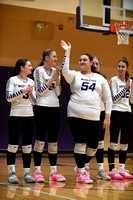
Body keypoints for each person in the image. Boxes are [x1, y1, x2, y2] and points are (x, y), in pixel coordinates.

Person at [60, 40, 112, 184]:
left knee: (93, 147)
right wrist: (67, 52)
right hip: (75, 115)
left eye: (85, 60)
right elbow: (64, 71)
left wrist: (107, 116)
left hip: (94, 116)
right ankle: (82, 173)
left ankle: (80, 165)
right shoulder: (74, 75)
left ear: (91, 63)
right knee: (80, 143)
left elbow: (108, 99)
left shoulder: (100, 78)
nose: (82, 62)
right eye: (80, 60)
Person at [33, 49, 66, 182]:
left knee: (53, 142)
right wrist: (52, 77)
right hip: (42, 108)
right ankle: (37, 171)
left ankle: (53, 171)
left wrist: (57, 78)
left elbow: (58, 93)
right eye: (54, 56)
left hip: (55, 108)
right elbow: (40, 92)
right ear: (46, 58)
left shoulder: (55, 72)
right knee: (40, 141)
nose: (55, 59)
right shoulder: (38, 71)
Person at [6, 59, 36, 183]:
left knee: (27, 147)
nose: (31, 67)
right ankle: (12, 173)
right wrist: (22, 91)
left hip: (29, 117)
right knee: (13, 146)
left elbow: (35, 102)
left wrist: (29, 93)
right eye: (29, 65)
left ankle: (27, 173)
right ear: (22, 67)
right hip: (15, 117)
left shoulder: (31, 81)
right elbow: (8, 98)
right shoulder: (12, 80)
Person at [85, 56, 111, 181]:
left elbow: (107, 98)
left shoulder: (103, 79)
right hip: (88, 113)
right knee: (87, 142)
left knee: (100, 143)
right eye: (93, 63)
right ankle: (85, 167)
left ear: (100, 65)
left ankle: (100, 169)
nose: (95, 65)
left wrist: (107, 116)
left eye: (97, 63)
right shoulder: (84, 77)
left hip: (100, 112)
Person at [108, 57, 133, 180]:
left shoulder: (130, 81)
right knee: (113, 142)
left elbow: (131, 100)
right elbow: (114, 98)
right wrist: (125, 88)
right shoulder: (114, 80)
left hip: (127, 112)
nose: (120, 69)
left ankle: (122, 168)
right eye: (119, 66)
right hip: (116, 111)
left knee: (124, 143)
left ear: (127, 68)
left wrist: (131, 88)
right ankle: (112, 169)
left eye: (123, 67)